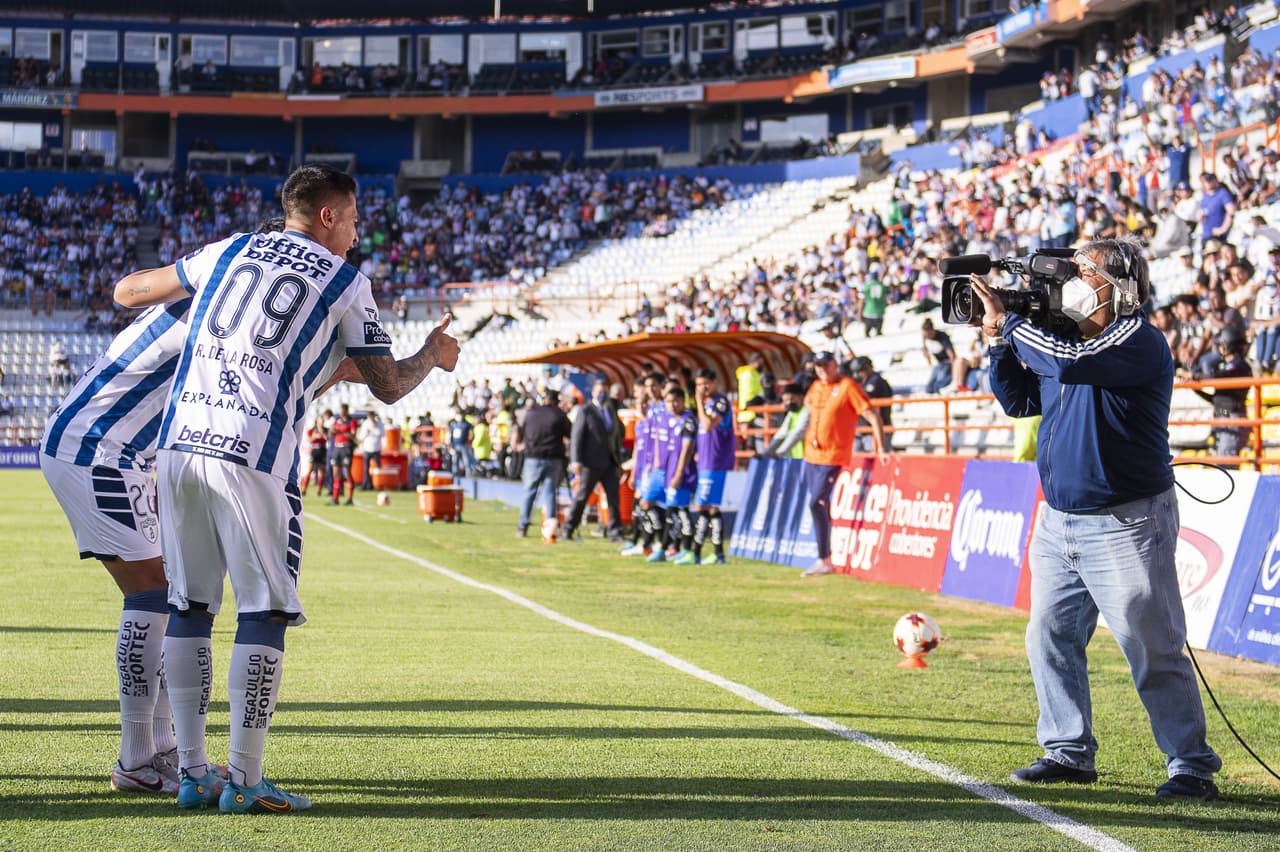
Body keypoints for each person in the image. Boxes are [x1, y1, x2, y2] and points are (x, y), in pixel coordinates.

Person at [113, 164, 460, 814]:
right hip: (252, 450)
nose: (356, 235)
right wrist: (431, 355)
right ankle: (244, 781)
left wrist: (132, 290)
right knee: (263, 609)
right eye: (353, 220)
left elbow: (136, 289)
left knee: (189, 605)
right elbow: (387, 383)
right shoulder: (345, 281)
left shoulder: (231, 248)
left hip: (179, 439)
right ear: (327, 215)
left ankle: (192, 774)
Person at [972, 238, 1221, 801]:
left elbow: (1067, 364)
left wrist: (1011, 324)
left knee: (1150, 645)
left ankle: (1190, 765)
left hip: (1126, 522)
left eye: (1082, 272)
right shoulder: (1065, 339)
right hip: (1059, 519)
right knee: (1049, 636)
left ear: (1120, 286)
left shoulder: (1136, 339)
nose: (1070, 283)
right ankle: (1068, 750)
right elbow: (1019, 402)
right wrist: (997, 342)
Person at [39, 300, 191, 796]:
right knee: (151, 593)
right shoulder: (214, 308)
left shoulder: (208, 296)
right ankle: (135, 760)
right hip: (96, 449)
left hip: (114, 451)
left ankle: (160, 751)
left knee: (165, 595)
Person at [800, 351, 890, 578]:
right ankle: (825, 558)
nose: (821, 369)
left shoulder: (847, 386)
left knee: (816, 502)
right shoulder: (816, 387)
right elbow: (808, 404)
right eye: (818, 366)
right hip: (812, 454)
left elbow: (871, 415)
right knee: (819, 506)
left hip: (833, 455)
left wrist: (881, 446)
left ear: (834, 365)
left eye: (825, 365)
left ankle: (824, 557)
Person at [564, 378, 624, 542]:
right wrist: (576, 461)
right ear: (593, 393)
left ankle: (615, 532)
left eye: (605, 390)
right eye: (599, 391)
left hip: (609, 461)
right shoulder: (586, 410)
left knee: (613, 498)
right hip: (591, 462)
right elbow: (577, 436)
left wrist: (618, 460)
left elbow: (616, 435)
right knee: (582, 496)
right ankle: (568, 528)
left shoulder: (610, 409)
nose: (602, 394)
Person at [685, 369, 735, 565]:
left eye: (705, 384)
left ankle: (697, 552)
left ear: (715, 383)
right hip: (705, 461)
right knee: (709, 506)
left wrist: (698, 401)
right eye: (698, 385)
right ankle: (714, 553)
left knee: (705, 505)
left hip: (716, 462)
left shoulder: (720, 402)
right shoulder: (707, 404)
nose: (702, 389)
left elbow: (707, 426)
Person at [648, 384, 698, 564]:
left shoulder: (688, 421)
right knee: (671, 514)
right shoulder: (668, 420)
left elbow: (686, 450)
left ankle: (688, 551)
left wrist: (678, 475)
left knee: (681, 513)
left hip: (683, 475)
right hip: (669, 473)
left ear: (682, 401)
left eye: (676, 401)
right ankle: (667, 548)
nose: (672, 405)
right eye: (669, 402)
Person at [515, 388, 571, 539]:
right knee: (550, 493)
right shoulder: (559, 415)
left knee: (529, 492)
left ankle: (522, 526)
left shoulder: (531, 413)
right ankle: (550, 529)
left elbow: (521, 432)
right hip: (553, 458)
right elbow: (569, 433)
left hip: (533, 457)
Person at [1190, 326, 1252, 462]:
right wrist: (1195, 387)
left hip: (1231, 419)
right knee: (1222, 463)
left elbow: (1219, 377)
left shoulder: (1239, 366)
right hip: (1223, 419)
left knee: (1226, 466)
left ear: (1226, 345)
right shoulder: (1228, 366)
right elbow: (1217, 399)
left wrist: (1195, 376)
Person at [621, 373, 666, 557]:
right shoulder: (647, 416)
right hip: (644, 467)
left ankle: (658, 543)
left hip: (657, 467)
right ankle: (643, 542)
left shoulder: (662, 409)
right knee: (641, 506)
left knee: (649, 505)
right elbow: (640, 445)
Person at [850, 356, 893, 452]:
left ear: (868, 368)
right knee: (856, 459)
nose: (858, 375)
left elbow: (866, 396)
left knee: (876, 458)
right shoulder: (860, 383)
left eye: (860, 371)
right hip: (862, 428)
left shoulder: (877, 381)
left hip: (876, 429)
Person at [761, 382, 807, 459]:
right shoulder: (792, 413)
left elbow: (798, 433)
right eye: (785, 400)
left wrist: (780, 452)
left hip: (807, 457)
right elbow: (781, 434)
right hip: (794, 457)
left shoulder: (807, 411)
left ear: (801, 396)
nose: (789, 402)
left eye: (792, 399)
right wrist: (766, 453)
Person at [328, 404, 357, 504]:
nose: (341, 412)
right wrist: (332, 431)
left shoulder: (351, 421)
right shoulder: (337, 420)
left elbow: (352, 435)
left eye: (343, 410)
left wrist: (340, 431)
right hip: (337, 447)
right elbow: (330, 434)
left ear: (346, 410)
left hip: (346, 447)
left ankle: (350, 498)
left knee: (347, 472)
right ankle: (335, 498)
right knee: (336, 473)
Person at [921, 318, 956, 394]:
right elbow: (925, 349)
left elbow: (951, 355)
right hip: (939, 364)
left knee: (938, 386)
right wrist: (929, 361)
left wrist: (954, 369)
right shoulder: (925, 338)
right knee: (928, 389)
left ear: (931, 331)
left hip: (947, 363)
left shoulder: (942, 336)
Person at [300, 416, 327, 497]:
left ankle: (319, 490)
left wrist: (321, 431)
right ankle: (304, 489)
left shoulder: (325, 429)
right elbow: (309, 439)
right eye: (320, 420)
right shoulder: (312, 429)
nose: (321, 422)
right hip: (314, 450)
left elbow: (326, 438)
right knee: (310, 470)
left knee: (321, 471)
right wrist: (314, 437)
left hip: (322, 450)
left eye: (322, 420)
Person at [357, 411, 384, 490]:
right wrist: (367, 432)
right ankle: (366, 484)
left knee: (378, 468)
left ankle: (378, 483)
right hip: (367, 448)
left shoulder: (379, 424)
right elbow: (361, 436)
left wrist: (374, 428)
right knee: (366, 468)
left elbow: (382, 434)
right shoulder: (365, 424)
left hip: (376, 448)